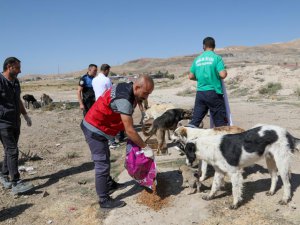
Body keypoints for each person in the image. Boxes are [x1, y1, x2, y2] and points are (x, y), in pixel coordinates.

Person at [81, 75, 155, 209]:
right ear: (137, 87)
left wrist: (143, 111)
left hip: (100, 125)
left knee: (106, 158)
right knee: (102, 164)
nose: (146, 97)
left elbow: (138, 98)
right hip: (94, 128)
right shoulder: (124, 101)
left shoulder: (128, 87)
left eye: (149, 94)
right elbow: (129, 130)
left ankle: (108, 184)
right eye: (145, 93)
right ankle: (104, 200)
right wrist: (145, 147)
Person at [0, 57, 34, 194]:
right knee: (13, 151)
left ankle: (3, 175)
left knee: (9, 150)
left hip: (15, 120)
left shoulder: (15, 82)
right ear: (9, 66)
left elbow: (18, 99)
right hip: (3, 122)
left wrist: (25, 115)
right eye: (18, 68)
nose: (20, 71)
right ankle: (16, 183)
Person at [188, 37, 228, 127]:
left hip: (200, 93)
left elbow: (190, 76)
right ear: (214, 46)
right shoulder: (216, 58)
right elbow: (223, 75)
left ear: (204, 46)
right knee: (220, 122)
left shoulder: (197, 59)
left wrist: (199, 78)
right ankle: (221, 140)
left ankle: (186, 137)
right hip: (214, 93)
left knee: (195, 120)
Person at [91, 64, 120, 148]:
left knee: (101, 122)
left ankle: (104, 141)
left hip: (97, 103)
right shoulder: (106, 80)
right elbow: (111, 92)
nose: (108, 73)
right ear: (106, 70)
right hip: (106, 103)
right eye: (108, 71)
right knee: (110, 123)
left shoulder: (94, 80)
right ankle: (112, 142)